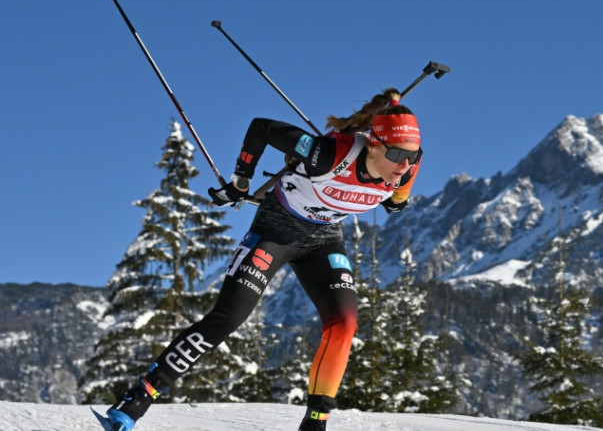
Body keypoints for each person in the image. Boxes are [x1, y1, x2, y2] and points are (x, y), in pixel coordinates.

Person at [104, 88, 422, 431]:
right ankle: (140, 395)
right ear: (372, 144)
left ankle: (315, 424)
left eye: (412, 155)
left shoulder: (405, 171)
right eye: (396, 154)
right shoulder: (328, 155)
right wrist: (241, 181)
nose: (405, 164)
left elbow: (396, 200)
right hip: (276, 232)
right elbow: (262, 128)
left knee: (344, 324)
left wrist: (396, 199)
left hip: (324, 241)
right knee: (228, 317)